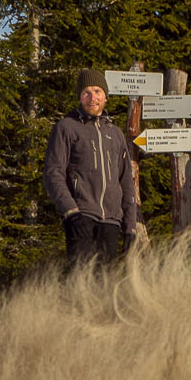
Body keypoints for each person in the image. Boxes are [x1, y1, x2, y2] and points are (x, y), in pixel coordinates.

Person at [44, 68, 143, 266]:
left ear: (105, 97)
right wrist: (71, 212)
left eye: (97, 91)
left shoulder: (115, 134)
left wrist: (130, 227)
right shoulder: (66, 127)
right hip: (82, 216)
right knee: (80, 281)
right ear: (80, 97)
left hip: (111, 221)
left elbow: (126, 183)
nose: (92, 97)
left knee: (104, 284)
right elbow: (53, 173)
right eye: (86, 92)